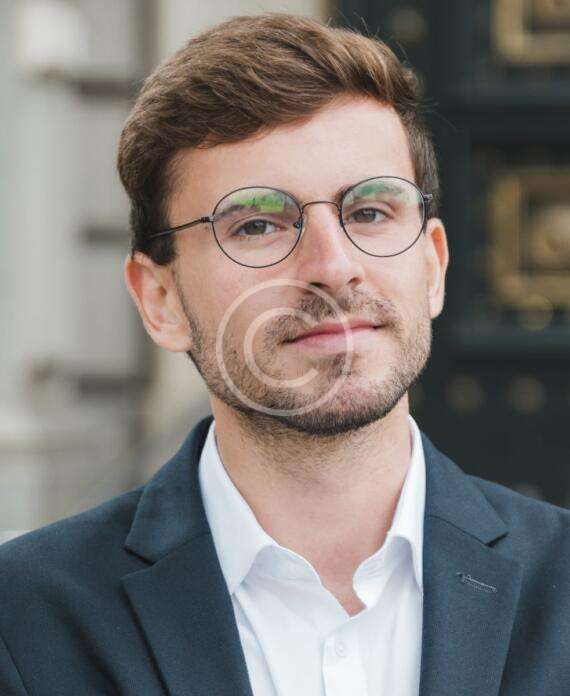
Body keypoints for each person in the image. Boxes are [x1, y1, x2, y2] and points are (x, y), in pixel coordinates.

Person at [0, 12, 569, 696]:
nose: (333, 267)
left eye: (369, 212)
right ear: (161, 300)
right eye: (258, 224)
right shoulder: (24, 621)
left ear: (434, 267)